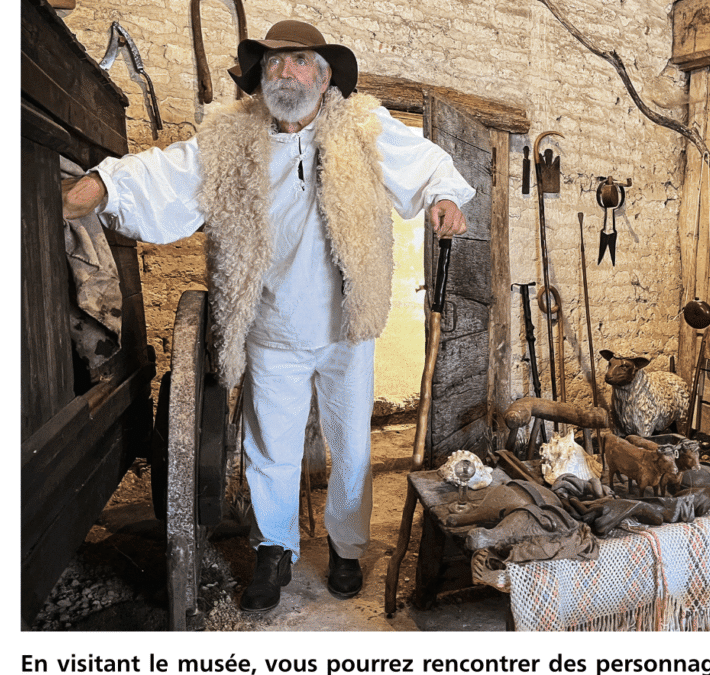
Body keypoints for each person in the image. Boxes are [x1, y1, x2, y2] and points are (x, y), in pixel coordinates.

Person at [62, 19, 475, 612]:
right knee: (269, 448)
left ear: (325, 75)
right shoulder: (228, 137)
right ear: (258, 76)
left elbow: (429, 161)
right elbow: (165, 171)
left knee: (351, 447)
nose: (287, 73)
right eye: (275, 63)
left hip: (345, 327)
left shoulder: (362, 128)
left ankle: (345, 549)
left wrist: (442, 196)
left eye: (301, 61)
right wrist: (101, 185)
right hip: (271, 328)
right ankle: (272, 549)